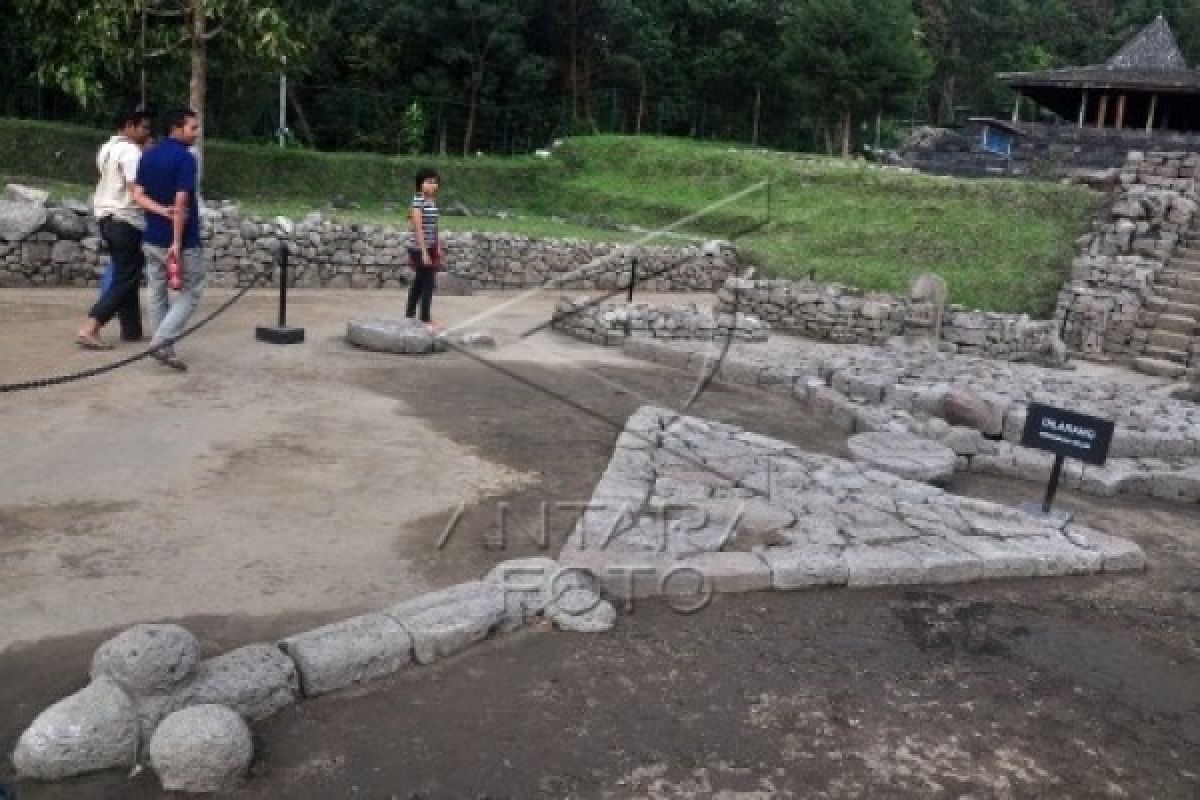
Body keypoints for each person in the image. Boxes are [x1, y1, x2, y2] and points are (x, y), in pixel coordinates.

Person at [75, 106, 154, 349]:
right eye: (144, 127)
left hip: (106, 217)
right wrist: (161, 209)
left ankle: (131, 331)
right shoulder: (131, 152)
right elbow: (135, 189)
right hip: (125, 219)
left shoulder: (106, 149)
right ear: (129, 126)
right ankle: (91, 326)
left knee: (126, 273)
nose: (148, 132)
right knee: (126, 277)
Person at [132, 108, 204, 371]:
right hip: (181, 239)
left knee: (156, 290)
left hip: (152, 235)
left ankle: (163, 345)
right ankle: (162, 340)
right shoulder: (186, 158)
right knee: (192, 291)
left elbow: (138, 194)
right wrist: (176, 239)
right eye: (192, 128)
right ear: (177, 128)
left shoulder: (148, 155)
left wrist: (160, 211)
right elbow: (182, 200)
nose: (196, 133)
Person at [406, 167, 442, 330]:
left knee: (419, 282)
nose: (432, 185)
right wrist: (424, 252)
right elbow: (418, 229)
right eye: (428, 182)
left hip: (430, 246)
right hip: (419, 248)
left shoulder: (431, 202)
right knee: (428, 283)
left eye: (435, 182)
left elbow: (434, 226)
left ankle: (410, 315)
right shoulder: (417, 202)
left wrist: (437, 245)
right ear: (420, 184)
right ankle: (425, 319)